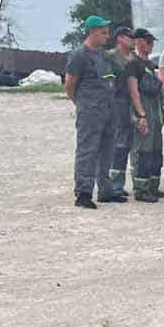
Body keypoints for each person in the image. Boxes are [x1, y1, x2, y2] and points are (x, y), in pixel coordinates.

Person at [64, 15, 117, 208]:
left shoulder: (103, 55)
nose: (107, 36)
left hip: (108, 109)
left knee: (107, 150)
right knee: (88, 150)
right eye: (103, 32)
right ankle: (83, 193)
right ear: (92, 31)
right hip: (90, 111)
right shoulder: (79, 55)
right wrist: (81, 103)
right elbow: (69, 84)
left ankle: (105, 190)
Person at [128, 29, 164, 203]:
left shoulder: (151, 65)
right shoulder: (133, 64)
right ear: (138, 42)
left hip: (156, 114)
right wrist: (141, 115)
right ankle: (141, 189)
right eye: (147, 41)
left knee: (155, 152)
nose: (151, 45)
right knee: (143, 151)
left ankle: (153, 186)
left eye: (152, 42)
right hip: (144, 113)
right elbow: (133, 92)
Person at [102, 26, 139, 202]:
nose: (132, 40)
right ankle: (115, 185)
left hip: (134, 102)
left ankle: (132, 182)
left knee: (132, 142)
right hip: (118, 102)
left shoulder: (134, 58)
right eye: (129, 37)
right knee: (119, 143)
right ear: (120, 38)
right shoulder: (110, 56)